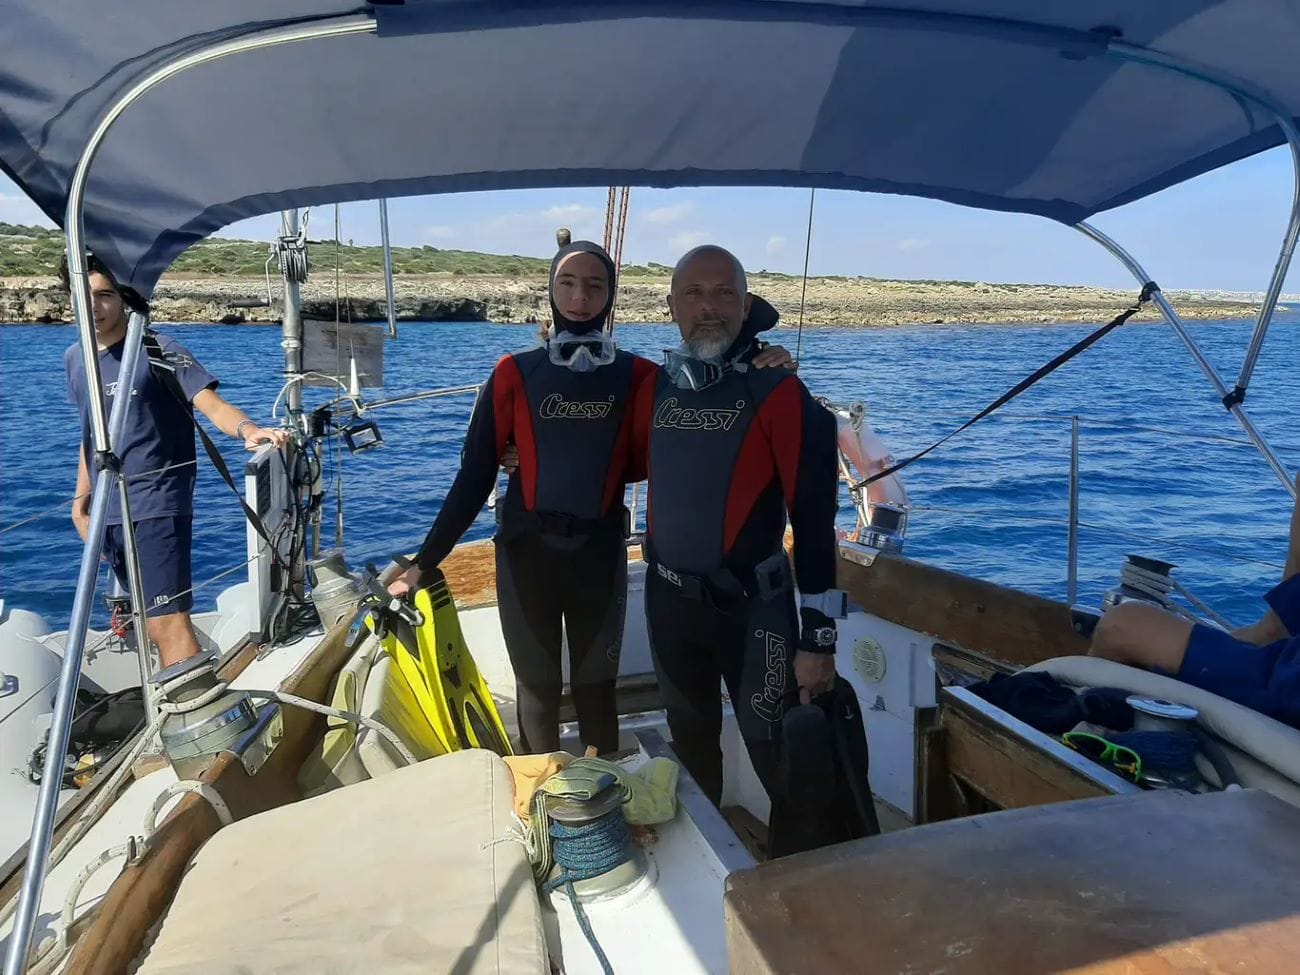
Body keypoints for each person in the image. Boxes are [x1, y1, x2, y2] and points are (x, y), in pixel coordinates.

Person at [391, 241, 792, 756]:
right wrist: (424, 563)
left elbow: (693, 432)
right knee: (536, 689)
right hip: (526, 552)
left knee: (595, 689)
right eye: (568, 284)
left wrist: (763, 357)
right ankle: (543, 804)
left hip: (598, 554)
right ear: (551, 291)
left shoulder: (643, 376)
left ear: (611, 297)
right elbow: (473, 476)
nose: (580, 298)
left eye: (595, 285)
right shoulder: (515, 373)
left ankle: (601, 809)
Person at [628, 244, 844, 806]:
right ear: (671, 304)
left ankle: (803, 882)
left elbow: (816, 524)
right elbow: (597, 448)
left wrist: (819, 639)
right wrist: (513, 456)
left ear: (747, 306)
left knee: (777, 754)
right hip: (669, 603)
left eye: (725, 293)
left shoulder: (778, 391)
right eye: (694, 293)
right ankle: (716, 881)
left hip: (755, 610)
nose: (709, 306)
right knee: (692, 749)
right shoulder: (654, 387)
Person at [63, 255, 288, 668]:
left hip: (156, 504)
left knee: (168, 623)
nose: (94, 306)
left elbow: (212, 405)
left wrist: (249, 431)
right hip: (108, 512)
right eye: (84, 295)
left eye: (105, 295)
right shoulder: (76, 359)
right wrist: (82, 502)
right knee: (148, 622)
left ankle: (197, 720)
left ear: (124, 299)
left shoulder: (159, 349)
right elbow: (91, 433)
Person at [1090, 473, 1300, 729]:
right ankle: (1274, 627)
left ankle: (1081, 743)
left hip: (1286, 688)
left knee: (1121, 625)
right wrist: (1273, 628)